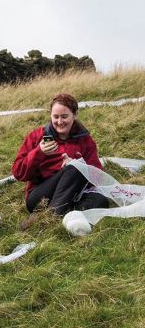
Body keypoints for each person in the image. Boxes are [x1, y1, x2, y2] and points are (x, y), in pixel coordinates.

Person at [12, 93, 108, 230]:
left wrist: (78, 164)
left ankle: (59, 215)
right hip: (40, 197)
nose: (59, 122)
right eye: (55, 117)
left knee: (101, 200)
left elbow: (98, 176)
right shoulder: (37, 136)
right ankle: (52, 217)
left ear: (74, 115)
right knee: (75, 168)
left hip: (73, 193)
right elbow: (17, 172)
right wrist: (38, 152)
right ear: (50, 116)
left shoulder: (85, 141)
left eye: (64, 117)